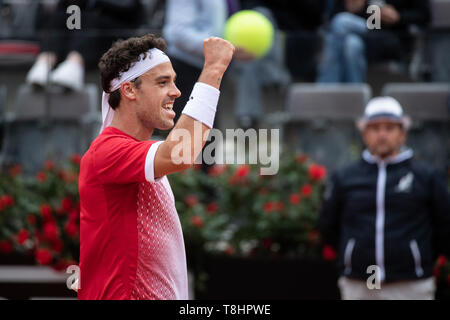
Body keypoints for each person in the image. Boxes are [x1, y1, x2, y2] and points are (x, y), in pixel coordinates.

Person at [77, 33, 234, 299]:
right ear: (129, 90)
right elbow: (181, 153)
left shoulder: (141, 153)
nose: (176, 91)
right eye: (163, 82)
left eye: (173, 81)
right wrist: (213, 70)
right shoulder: (106, 152)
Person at [318, 96, 450, 299]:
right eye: (375, 128)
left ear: (402, 134)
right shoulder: (345, 176)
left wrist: (417, 257)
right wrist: (352, 255)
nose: (382, 135)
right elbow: (328, 225)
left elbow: (444, 226)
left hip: (411, 284)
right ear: (364, 134)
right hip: (359, 283)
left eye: (389, 128)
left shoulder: (425, 176)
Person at [26, 0, 143, 91]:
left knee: (87, 19)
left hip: (117, 29)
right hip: (82, 26)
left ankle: (74, 62)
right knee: (61, 17)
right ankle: (45, 61)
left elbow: (130, 8)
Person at [317, 0, 430, 83]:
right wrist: (353, 8)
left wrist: (399, 17)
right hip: (361, 32)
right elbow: (331, 18)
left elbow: (424, 16)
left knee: (341, 22)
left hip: (390, 36)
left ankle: (326, 88)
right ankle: (356, 98)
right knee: (351, 44)